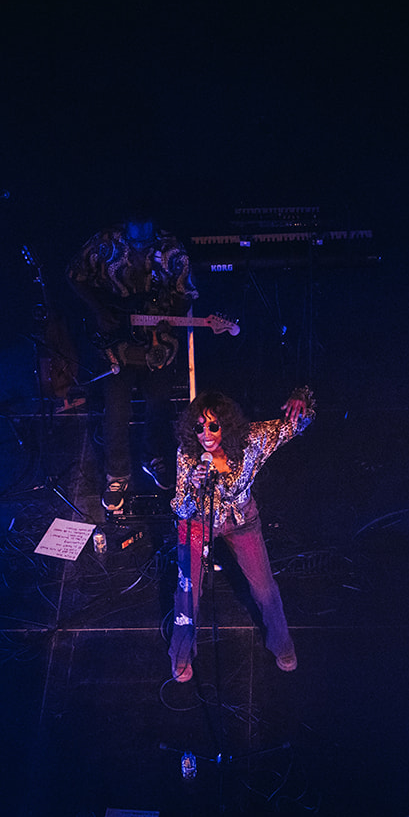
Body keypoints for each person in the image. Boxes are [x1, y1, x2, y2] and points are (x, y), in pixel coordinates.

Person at [168, 387, 314, 682]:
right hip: (197, 523)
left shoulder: (253, 439)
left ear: (227, 424)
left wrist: (302, 398)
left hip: (241, 519)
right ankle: (181, 654)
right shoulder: (187, 455)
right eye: (198, 427)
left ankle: (281, 644)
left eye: (213, 425)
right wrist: (196, 488)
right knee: (188, 594)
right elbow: (181, 509)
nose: (205, 434)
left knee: (264, 589)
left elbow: (299, 423)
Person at [66, 215, 199, 516]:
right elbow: (73, 275)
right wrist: (99, 310)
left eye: (147, 235)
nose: (141, 240)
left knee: (159, 405)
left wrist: (171, 320)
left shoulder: (172, 249)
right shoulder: (105, 242)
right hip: (115, 344)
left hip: (158, 345)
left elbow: (187, 293)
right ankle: (117, 476)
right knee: (116, 411)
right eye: (135, 233)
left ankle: (153, 457)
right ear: (126, 224)